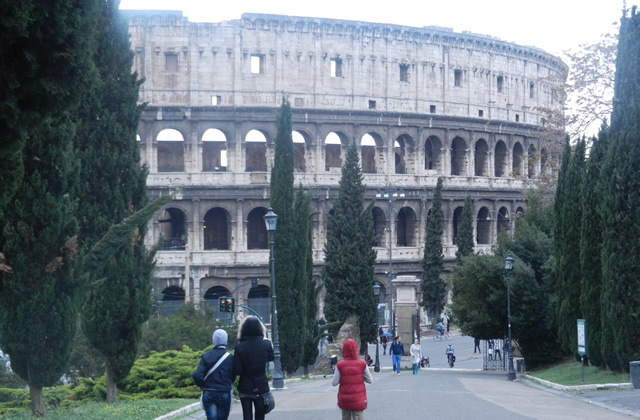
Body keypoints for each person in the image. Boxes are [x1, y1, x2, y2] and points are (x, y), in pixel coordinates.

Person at [233, 316, 274, 420]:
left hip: (245, 387)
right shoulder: (266, 344)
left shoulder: (239, 347)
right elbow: (271, 358)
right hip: (261, 386)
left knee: (247, 416)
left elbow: (237, 370)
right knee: (260, 415)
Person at [192, 329, 235, 420]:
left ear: (213, 340)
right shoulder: (231, 358)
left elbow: (196, 375)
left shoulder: (206, 356)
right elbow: (234, 375)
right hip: (224, 392)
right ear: (226, 340)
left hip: (209, 391)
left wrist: (202, 385)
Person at [332, 338, 373, 420]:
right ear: (356, 350)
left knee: (345, 417)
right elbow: (370, 380)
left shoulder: (340, 365)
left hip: (345, 399)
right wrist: (361, 377)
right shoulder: (362, 364)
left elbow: (334, 383)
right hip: (358, 398)